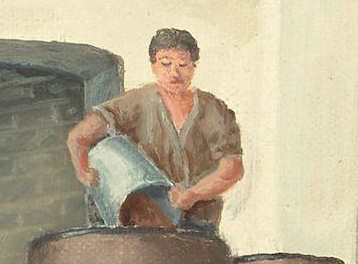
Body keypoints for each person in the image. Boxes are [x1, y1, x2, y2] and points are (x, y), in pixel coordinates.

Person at [69, 29, 244, 234]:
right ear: (153, 66)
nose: (174, 73)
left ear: (193, 67)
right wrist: (82, 169)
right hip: (148, 221)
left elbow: (232, 169)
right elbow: (79, 136)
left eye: (182, 64)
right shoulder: (136, 102)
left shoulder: (214, 110)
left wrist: (192, 194)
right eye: (166, 63)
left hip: (200, 224)